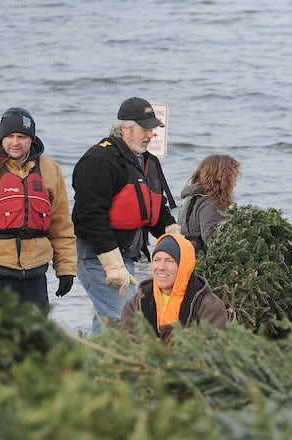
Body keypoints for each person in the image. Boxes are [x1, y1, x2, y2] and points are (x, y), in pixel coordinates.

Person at [72, 97, 181, 334]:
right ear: (125, 128)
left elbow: (155, 206)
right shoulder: (99, 161)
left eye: (152, 129)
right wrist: (112, 266)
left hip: (128, 258)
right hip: (97, 259)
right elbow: (91, 217)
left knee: (109, 325)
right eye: (145, 128)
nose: (150, 134)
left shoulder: (146, 160)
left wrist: (172, 233)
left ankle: (98, 368)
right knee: (136, 320)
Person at [0, 107, 76, 309]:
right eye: (10, 136)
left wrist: (66, 269)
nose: (15, 142)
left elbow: (61, 227)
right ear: (1, 136)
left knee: (34, 337)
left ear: (32, 139)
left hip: (35, 274)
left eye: (22, 136)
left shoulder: (51, 169)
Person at [121, 233, 227, 342]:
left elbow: (214, 352)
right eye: (156, 260)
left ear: (184, 266)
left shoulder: (208, 306)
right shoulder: (137, 302)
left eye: (169, 261)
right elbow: (126, 347)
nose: (161, 267)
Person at [179, 154, 241, 252]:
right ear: (221, 179)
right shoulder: (209, 204)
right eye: (232, 179)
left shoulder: (197, 198)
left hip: (192, 255)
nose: (235, 184)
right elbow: (213, 240)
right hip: (204, 260)